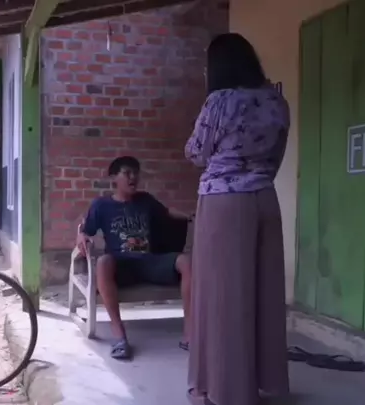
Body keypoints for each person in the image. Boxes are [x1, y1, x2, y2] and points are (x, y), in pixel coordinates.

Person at [185, 33, 290, 405]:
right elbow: (278, 154)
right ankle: (265, 381)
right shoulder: (276, 101)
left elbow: (196, 152)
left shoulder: (220, 101)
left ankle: (226, 390)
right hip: (265, 199)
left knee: (222, 297)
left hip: (224, 203)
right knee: (263, 294)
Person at [76, 156, 192, 361]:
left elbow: (167, 213)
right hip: (122, 265)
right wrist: (81, 236)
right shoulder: (102, 205)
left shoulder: (145, 200)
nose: (133, 177)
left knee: (186, 262)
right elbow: (85, 230)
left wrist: (191, 216)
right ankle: (119, 336)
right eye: (127, 173)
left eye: (136, 173)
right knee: (103, 262)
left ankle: (190, 334)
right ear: (114, 178)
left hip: (149, 262)